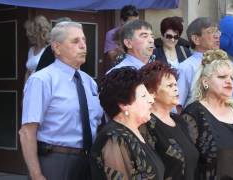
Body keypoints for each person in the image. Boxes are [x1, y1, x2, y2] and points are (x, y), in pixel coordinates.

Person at [19, 21, 103, 180]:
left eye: (84, 40)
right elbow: (27, 132)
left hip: (89, 161)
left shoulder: (89, 82)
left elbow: (97, 123)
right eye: (75, 41)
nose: (83, 45)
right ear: (56, 47)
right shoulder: (42, 80)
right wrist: (36, 174)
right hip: (56, 160)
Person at [181, 49, 233, 179]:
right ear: (205, 81)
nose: (229, 81)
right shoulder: (193, 114)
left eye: (231, 77)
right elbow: (188, 164)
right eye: (222, 77)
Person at [90, 67, 165, 179]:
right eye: (144, 96)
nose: (151, 100)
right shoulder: (114, 138)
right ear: (124, 104)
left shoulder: (139, 131)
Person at [139, 61, 199, 180]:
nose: (176, 89)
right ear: (152, 92)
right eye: (169, 86)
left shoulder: (180, 120)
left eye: (176, 85)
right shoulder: (146, 124)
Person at [177, 17, 220, 111]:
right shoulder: (186, 67)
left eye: (217, 32)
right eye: (211, 32)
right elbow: (177, 105)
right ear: (196, 39)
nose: (217, 36)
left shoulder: (225, 64)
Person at [104, 5, 139, 69]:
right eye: (131, 22)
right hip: (120, 70)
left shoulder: (140, 33)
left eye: (136, 22)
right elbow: (112, 56)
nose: (135, 25)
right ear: (122, 21)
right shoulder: (112, 34)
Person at [24, 15, 51, 80]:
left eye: (30, 33)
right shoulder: (31, 50)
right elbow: (28, 72)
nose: (27, 35)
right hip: (31, 86)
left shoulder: (49, 49)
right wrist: (25, 88)